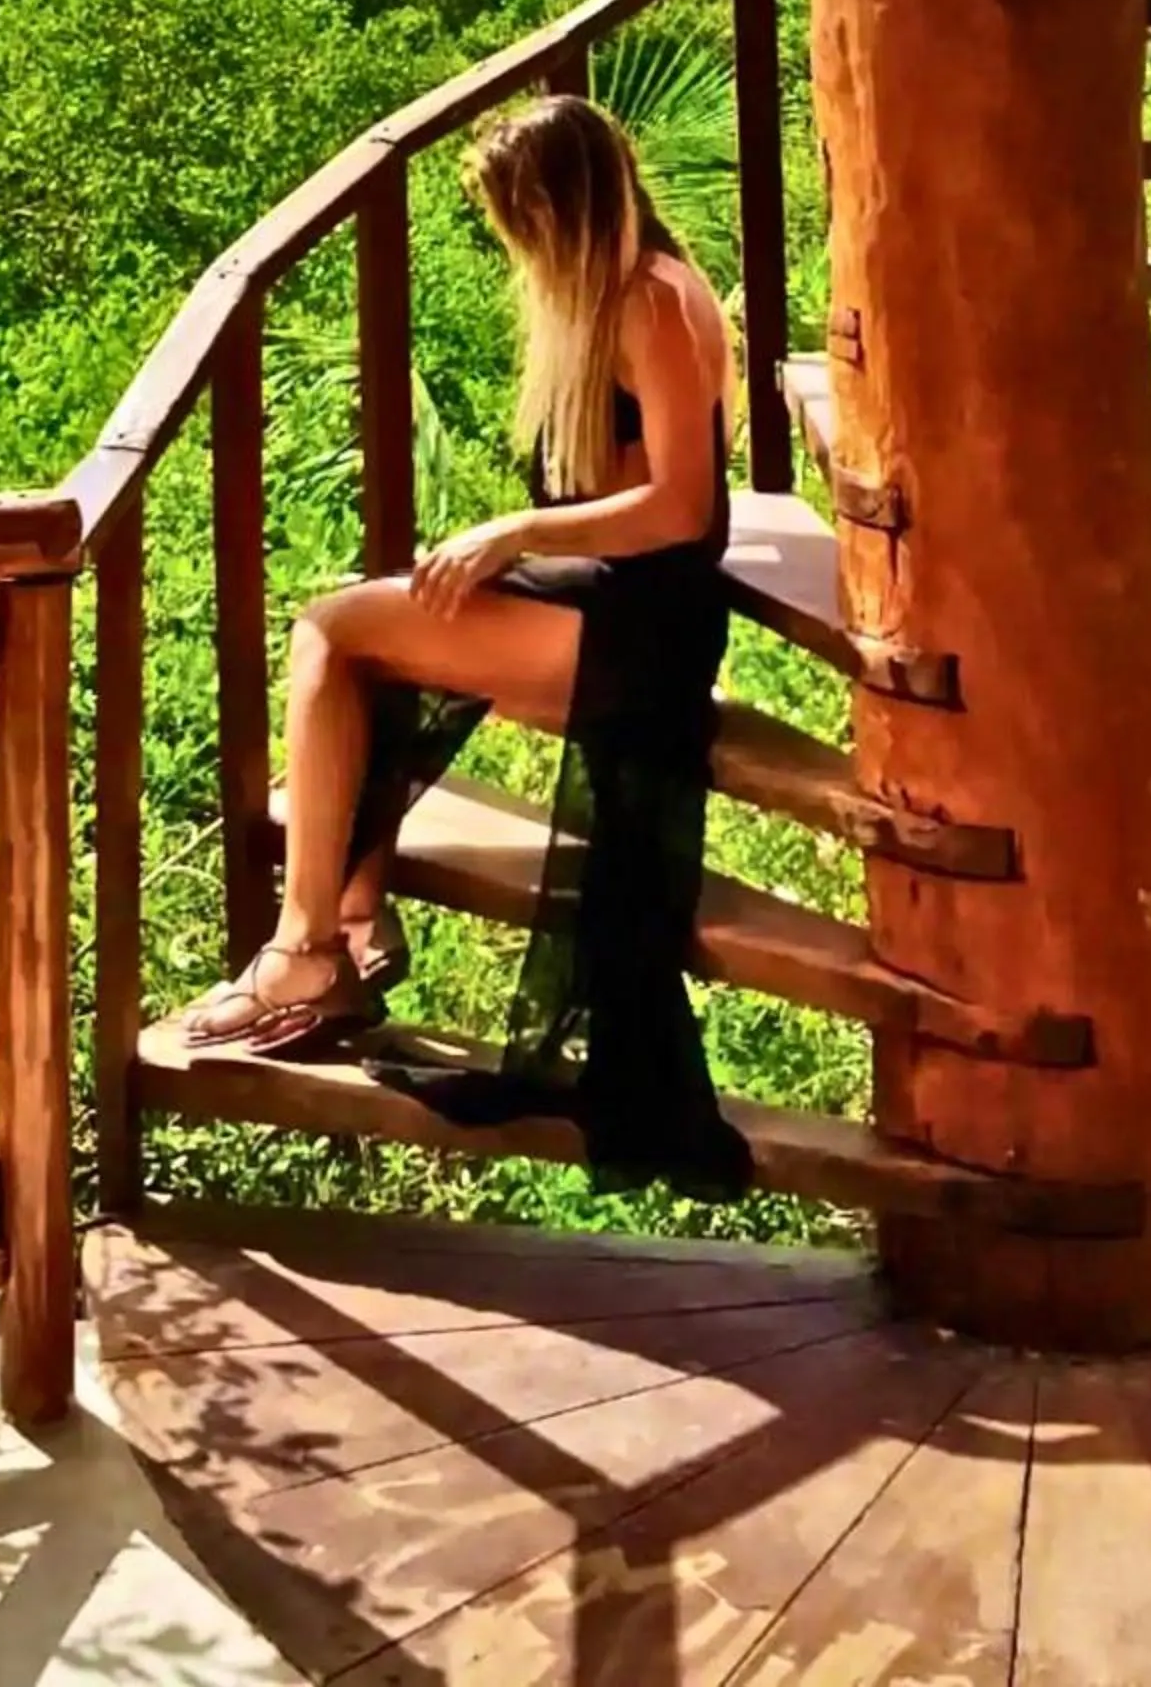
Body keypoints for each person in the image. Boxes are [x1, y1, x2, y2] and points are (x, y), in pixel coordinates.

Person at [182, 93, 751, 1196]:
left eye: (518, 217)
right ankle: (346, 916)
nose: (513, 243)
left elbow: (681, 510)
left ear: (562, 206)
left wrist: (513, 531)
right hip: (604, 597)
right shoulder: (616, 296)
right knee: (364, 634)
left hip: (645, 628)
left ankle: (311, 946)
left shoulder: (653, 302)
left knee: (336, 632)